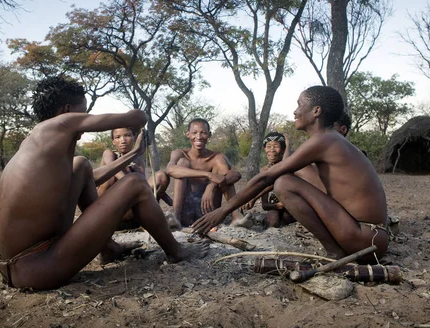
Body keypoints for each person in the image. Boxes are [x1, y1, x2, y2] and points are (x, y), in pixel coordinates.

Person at [0, 77, 208, 290]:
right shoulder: (61, 123)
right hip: (39, 267)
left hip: (19, 268)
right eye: (83, 112)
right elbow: (138, 117)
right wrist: (136, 121)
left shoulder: (35, 140)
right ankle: (176, 252)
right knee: (136, 183)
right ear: (68, 110)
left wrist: (132, 154)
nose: (84, 123)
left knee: (81, 166)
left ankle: (108, 249)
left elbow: (89, 178)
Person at [192, 86, 389, 261]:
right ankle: (336, 249)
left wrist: (223, 210)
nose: (295, 111)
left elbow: (267, 177)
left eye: (299, 105)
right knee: (286, 178)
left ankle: (334, 252)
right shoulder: (330, 139)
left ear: (316, 111)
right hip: (370, 237)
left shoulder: (324, 140)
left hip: (365, 239)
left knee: (284, 183)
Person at [165, 118, 250, 228]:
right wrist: (208, 174)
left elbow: (236, 174)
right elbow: (170, 169)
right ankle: (175, 215)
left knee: (220, 163)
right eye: (194, 133)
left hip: (209, 213)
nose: (199, 137)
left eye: (203, 133)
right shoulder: (180, 153)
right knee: (182, 163)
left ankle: (236, 215)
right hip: (185, 213)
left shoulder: (216, 157)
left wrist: (212, 186)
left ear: (209, 135)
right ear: (188, 134)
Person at [97, 127, 173, 207]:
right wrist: (132, 183)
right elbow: (112, 168)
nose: (123, 141)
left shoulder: (138, 161)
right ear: (113, 141)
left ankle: (150, 208)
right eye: (118, 137)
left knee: (161, 176)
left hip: (129, 200)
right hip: (106, 203)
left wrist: (170, 201)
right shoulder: (109, 153)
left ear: (135, 138)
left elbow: (143, 185)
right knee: (110, 177)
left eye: (127, 135)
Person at [243, 132, 296, 228]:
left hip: (294, 206)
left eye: (276, 146)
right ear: (264, 149)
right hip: (278, 206)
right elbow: (265, 205)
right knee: (272, 220)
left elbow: (284, 166)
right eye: (268, 146)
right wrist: (278, 205)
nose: (272, 150)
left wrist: (288, 146)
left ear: (283, 149)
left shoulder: (292, 165)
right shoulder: (264, 171)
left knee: (287, 217)